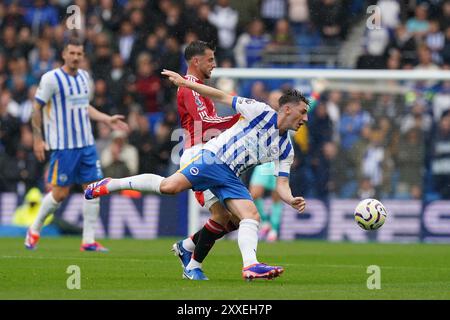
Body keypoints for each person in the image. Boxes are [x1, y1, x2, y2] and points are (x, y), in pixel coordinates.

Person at [85, 69, 308, 281]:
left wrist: (290, 199)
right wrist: (185, 83)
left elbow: (282, 184)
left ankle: (249, 265)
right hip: (212, 159)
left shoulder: (286, 148)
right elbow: (221, 95)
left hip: (231, 177)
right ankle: (112, 184)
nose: (305, 118)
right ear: (287, 109)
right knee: (169, 188)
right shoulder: (260, 111)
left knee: (249, 217)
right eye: (303, 112)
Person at [25, 38, 129, 251]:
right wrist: (37, 139)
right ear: (64, 54)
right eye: (71, 53)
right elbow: (36, 109)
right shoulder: (51, 79)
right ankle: (34, 228)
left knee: (94, 189)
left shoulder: (84, 77)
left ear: (83, 56)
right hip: (64, 147)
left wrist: (106, 119)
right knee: (60, 193)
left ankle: (88, 240)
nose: (75, 57)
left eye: (79, 54)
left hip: (86, 144)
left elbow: (84, 107)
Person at [172, 40, 241, 280]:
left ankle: (188, 246)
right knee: (223, 216)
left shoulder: (198, 87)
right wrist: (239, 119)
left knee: (235, 219)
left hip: (210, 152)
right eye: (210, 59)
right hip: (197, 155)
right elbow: (205, 123)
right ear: (196, 61)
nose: (214, 64)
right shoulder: (190, 86)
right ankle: (192, 267)